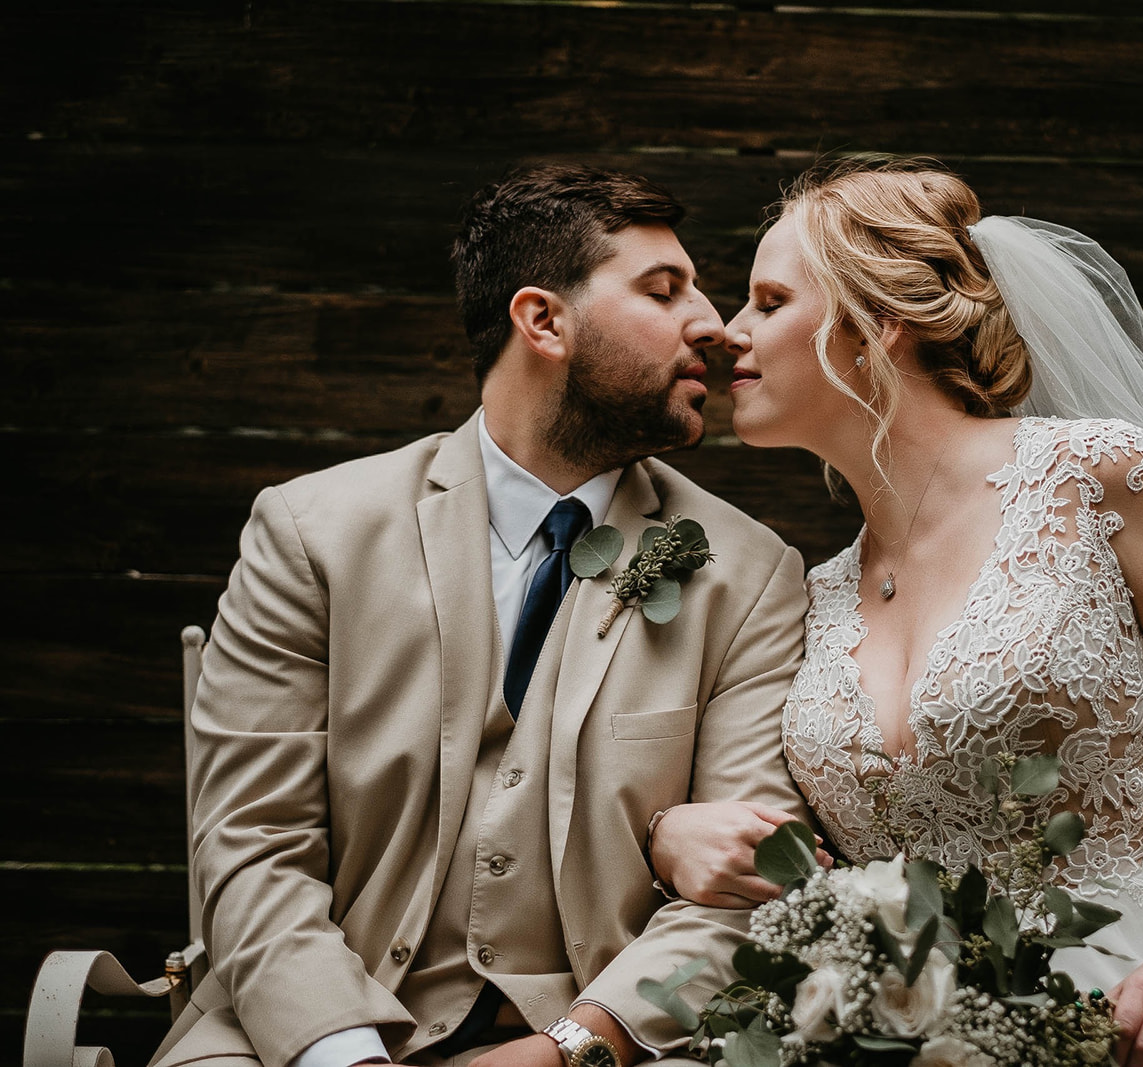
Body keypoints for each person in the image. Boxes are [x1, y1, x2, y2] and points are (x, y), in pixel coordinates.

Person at [646, 160, 1143, 1067]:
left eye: (768, 302)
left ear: (878, 325)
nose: (728, 335)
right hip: (936, 1028)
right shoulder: (814, 594)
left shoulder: (1097, 481)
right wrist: (668, 833)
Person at [149, 164, 817, 1067]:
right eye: (665, 291)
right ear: (542, 320)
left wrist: (571, 1045)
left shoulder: (749, 573)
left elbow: (743, 888)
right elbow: (252, 843)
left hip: (609, 1040)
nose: (712, 324)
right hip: (307, 1029)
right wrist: (343, 1052)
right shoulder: (313, 534)